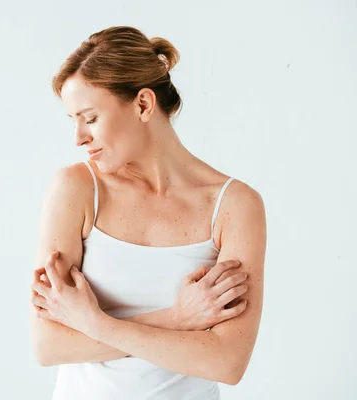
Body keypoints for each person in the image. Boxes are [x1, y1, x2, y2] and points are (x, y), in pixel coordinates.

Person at [29, 26, 266, 400]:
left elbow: (228, 361)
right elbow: (49, 345)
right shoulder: (76, 190)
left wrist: (92, 323)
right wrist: (175, 319)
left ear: (142, 104)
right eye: (72, 120)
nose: (78, 137)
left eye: (89, 118)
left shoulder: (234, 206)